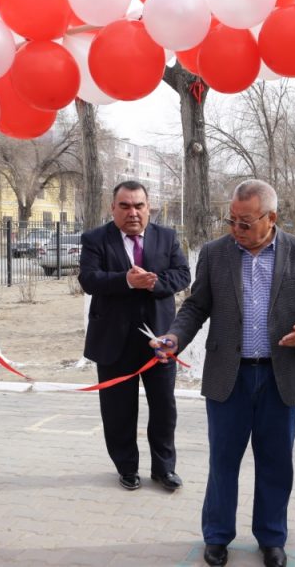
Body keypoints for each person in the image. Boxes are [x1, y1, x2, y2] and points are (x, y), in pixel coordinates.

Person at [152, 180, 295, 567]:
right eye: (232, 220)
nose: (236, 229)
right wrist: (173, 338)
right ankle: (217, 536)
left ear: (272, 218)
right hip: (227, 377)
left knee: (276, 462)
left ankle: (271, 538)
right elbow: (195, 307)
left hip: (278, 376)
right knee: (223, 462)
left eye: (245, 222)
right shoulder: (216, 254)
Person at [78, 181, 191, 492]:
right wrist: (126, 281)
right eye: (125, 206)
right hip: (113, 342)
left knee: (164, 409)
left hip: (159, 341)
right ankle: (127, 468)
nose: (133, 212)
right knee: (118, 411)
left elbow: (183, 274)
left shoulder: (166, 236)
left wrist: (155, 283)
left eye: (139, 206)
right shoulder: (95, 239)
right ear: (113, 208)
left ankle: (164, 469)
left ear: (148, 207)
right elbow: (89, 279)